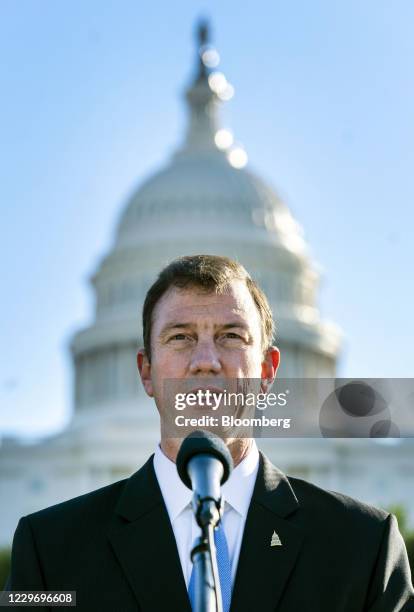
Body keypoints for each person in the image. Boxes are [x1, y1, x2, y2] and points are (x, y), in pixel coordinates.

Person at [5, 255, 414, 611]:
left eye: (231, 336)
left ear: (268, 371)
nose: (205, 361)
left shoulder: (362, 547)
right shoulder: (51, 552)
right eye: (180, 337)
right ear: (146, 371)